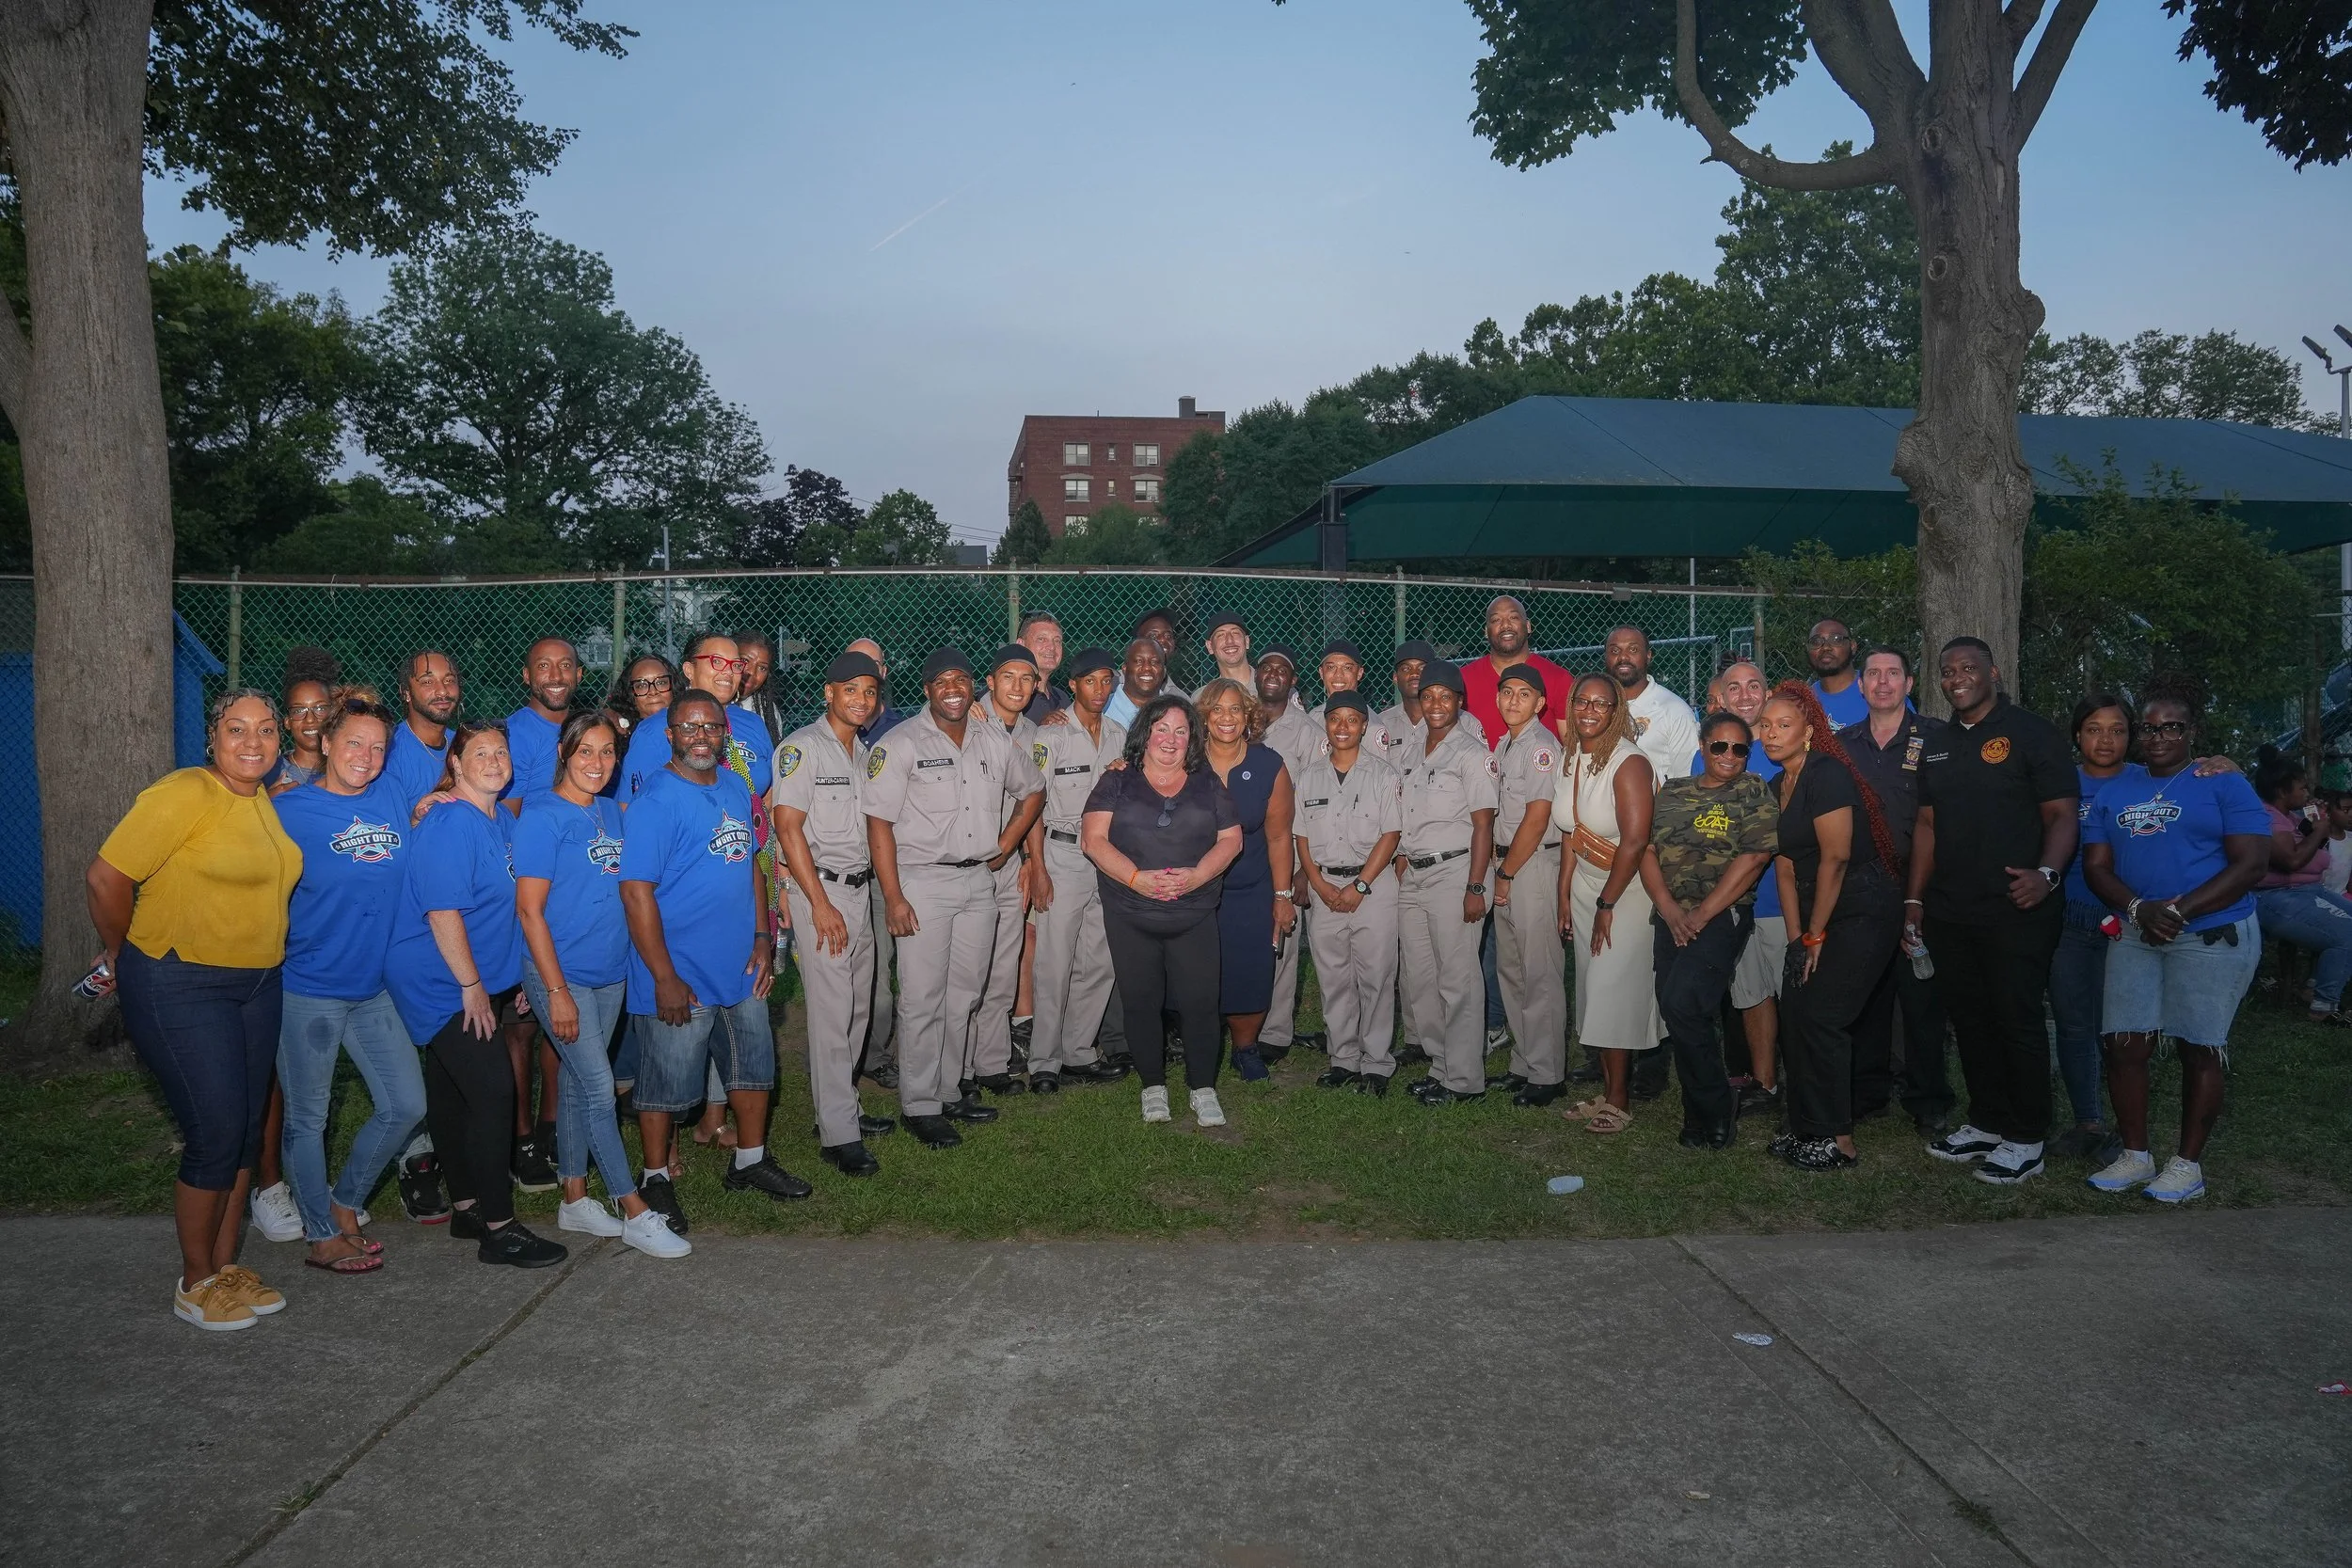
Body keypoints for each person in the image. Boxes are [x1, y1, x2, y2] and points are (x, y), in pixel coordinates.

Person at [87, 689, 304, 1330]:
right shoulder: (185, 792)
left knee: (242, 1132)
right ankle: (194, 1279)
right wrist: (121, 952)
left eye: (266, 730)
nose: (252, 741)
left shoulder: (263, 797)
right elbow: (106, 878)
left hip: (258, 984)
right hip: (180, 981)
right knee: (213, 1133)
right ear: (213, 738)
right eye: (237, 729)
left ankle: (224, 1266)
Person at [382, 721, 566, 1267]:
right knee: (492, 1091)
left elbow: (512, 908)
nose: (493, 759)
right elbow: (442, 912)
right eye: (479, 752)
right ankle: (499, 1226)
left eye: (501, 752)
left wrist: (520, 978)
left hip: (476, 976)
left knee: (451, 1087)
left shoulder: (501, 822)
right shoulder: (448, 822)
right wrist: (472, 987)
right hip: (437, 975)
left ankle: (464, 1206)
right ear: (455, 766)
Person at [619, 689, 805, 1229]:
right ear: (669, 735)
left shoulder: (732, 786)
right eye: (689, 727)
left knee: (753, 1067)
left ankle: (749, 1160)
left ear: (724, 733)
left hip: (739, 964)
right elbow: (636, 892)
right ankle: (654, 1178)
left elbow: (749, 863)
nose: (701, 735)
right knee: (666, 1083)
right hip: (679, 970)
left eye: (711, 726)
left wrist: (762, 936)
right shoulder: (656, 801)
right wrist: (663, 976)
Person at [2080, 680, 2271, 1204]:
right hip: (2138, 928)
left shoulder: (2223, 783)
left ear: (2192, 733)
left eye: (2173, 727)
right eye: (2150, 727)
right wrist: (2142, 909)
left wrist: (2180, 910)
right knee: (2125, 1042)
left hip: (2210, 932)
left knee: (2198, 1047)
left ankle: (2188, 1166)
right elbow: (2096, 866)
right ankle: (2135, 1155)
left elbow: (2252, 862)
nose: (2160, 735)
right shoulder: (2117, 788)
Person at [514, 714, 691, 1258]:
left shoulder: (615, 812)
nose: (597, 762)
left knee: (572, 1084)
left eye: (608, 752)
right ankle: (632, 1206)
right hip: (561, 977)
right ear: (565, 754)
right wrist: (555, 990)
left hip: (609, 973)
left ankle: (572, 1197)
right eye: (585, 751)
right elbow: (529, 912)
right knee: (596, 1088)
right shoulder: (544, 817)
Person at [1905, 637, 2079, 1186]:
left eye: (1969, 668)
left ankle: (2028, 1136)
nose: (1958, 677)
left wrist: (2046, 875)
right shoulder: (1936, 742)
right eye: (1948, 670)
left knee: (2016, 1018)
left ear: (1994, 673)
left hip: (2016, 907)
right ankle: (1987, 1121)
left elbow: (2062, 816)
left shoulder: (2032, 733)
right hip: (1952, 909)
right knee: (1971, 1019)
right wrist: (1914, 898)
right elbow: (1928, 826)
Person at [865, 649, 1042, 1148]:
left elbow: (1033, 790)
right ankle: (919, 1104)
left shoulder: (994, 739)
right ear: (926, 689)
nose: (953, 687)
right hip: (922, 883)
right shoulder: (900, 743)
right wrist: (895, 897)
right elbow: (878, 822)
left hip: (979, 882)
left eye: (961, 679)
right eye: (942, 680)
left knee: (965, 993)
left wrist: (1007, 846)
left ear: (972, 686)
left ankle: (947, 1090)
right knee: (922, 997)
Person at [271, 690, 421, 1277]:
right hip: (307, 987)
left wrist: (430, 805)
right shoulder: (288, 811)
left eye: (377, 746)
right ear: (325, 744)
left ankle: (346, 1199)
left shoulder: (389, 794)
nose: (366, 755)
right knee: (308, 1118)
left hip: (372, 987)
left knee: (407, 1103)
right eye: (353, 742)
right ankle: (320, 1231)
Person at [1759, 684, 1905, 1171]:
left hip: (1861, 906)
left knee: (1824, 1017)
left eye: (1783, 725)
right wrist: (1797, 938)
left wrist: (1816, 934)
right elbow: (1784, 866)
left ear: (1808, 732)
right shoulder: (1778, 785)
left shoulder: (1827, 773)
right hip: (1814, 910)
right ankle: (1807, 1126)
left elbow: (1837, 857)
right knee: (1796, 1012)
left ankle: (1838, 1140)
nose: (1771, 733)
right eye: (1765, 725)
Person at [1082, 694, 1244, 1125]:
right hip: (1130, 913)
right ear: (1145, 733)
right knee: (1140, 1001)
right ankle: (1152, 1084)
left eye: (1181, 730)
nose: (1170, 739)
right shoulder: (1116, 780)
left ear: (1192, 739)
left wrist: (1195, 877)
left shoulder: (1207, 782)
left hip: (1193, 914)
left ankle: (1202, 1087)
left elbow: (1232, 840)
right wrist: (1137, 878)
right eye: (1161, 728)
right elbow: (1093, 840)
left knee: (1200, 1002)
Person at [769, 650, 898, 1179]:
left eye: (869, 692)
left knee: (857, 1008)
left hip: (859, 890)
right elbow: (787, 826)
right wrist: (819, 905)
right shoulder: (802, 749)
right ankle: (838, 1135)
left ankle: (841, 1109)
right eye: (851, 691)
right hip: (820, 891)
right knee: (830, 1012)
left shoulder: (863, 751)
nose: (861, 700)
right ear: (829, 692)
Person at [1640, 709, 1777, 1150]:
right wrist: (1669, 909)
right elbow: (1645, 848)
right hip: (1669, 917)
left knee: (1684, 1004)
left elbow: (1755, 858)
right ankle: (1699, 1112)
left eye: (1740, 748)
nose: (1730, 756)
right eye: (1720, 746)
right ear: (1703, 747)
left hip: (1722, 918)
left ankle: (1715, 1107)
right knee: (1676, 1009)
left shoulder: (1753, 790)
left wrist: (1699, 916)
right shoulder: (1673, 791)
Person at [1839, 647, 1957, 1134]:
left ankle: (1927, 1097)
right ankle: (1867, 1090)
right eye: (1873, 675)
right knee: (1864, 994)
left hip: (1923, 884)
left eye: (1893, 674)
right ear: (1861, 686)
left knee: (1921, 998)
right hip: (1861, 886)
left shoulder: (1938, 739)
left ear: (1910, 684)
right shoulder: (1842, 744)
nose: (1883, 683)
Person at [1021, 648, 1132, 1090]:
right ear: (1073, 685)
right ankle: (1044, 1063)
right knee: (1053, 961)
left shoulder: (1120, 735)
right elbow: (1032, 805)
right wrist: (1038, 865)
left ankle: (1079, 1052)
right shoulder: (1052, 736)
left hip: (1105, 857)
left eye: (1107, 681)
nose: (1100, 690)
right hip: (1062, 854)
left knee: (1099, 959)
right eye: (1091, 681)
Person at [1554, 673, 1661, 1132]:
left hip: (1625, 893)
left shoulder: (1629, 762)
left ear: (1617, 709)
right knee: (1594, 990)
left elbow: (1636, 842)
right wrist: (1564, 891)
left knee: (1614, 990)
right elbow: (1569, 831)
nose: (1590, 710)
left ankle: (1620, 1098)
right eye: (1583, 702)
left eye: (1601, 703)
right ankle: (1606, 1088)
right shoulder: (1573, 755)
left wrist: (1606, 904)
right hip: (1585, 888)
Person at [1395, 661, 1500, 1105]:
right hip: (1414, 874)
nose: (1436, 703)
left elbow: (1483, 826)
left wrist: (1476, 886)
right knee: (1421, 978)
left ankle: (1464, 1079)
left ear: (1460, 702)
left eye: (1446, 696)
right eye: (1429, 695)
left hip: (1456, 873)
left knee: (1458, 979)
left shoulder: (1472, 753)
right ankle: (1440, 1066)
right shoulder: (1412, 749)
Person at [2045, 692, 2141, 1158]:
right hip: (2070, 921)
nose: (2106, 739)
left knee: (2123, 1028)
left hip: (2131, 924)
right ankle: (2088, 1122)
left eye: (2117, 729)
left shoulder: (2152, 782)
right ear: (2077, 735)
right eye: (2094, 729)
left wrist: (2220, 764)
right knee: (2074, 1023)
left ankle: (2129, 1127)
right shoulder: (2058, 782)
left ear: (2131, 736)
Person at [1292, 694, 1404, 1091]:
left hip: (1371, 887)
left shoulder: (1383, 775)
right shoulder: (1308, 777)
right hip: (1325, 887)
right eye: (1335, 719)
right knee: (1334, 977)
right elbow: (1301, 836)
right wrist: (1319, 884)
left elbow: (1391, 835)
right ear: (1325, 724)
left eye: (1352, 720)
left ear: (1364, 726)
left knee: (1375, 977)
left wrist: (1359, 885)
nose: (1343, 727)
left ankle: (1376, 1062)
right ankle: (1343, 1058)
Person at [1692, 659, 1784, 1115]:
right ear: (1721, 697)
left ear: (1767, 693)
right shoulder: (1707, 753)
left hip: (1785, 898)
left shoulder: (1785, 744)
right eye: (1735, 688)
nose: (1745, 695)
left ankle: (1809, 1087)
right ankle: (1764, 1084)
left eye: (1755, 685)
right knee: (1752, 993)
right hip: (1734, 898)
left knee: (1800, 999)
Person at [1198, 676, 1295, 1081]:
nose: (1226, 717)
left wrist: (1282, 894)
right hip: (1195, 890)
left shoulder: (1269, 764)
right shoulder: (1183, 760)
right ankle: (1199, 1045)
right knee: (1195, 970)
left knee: (1251, 968)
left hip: (1252, 889)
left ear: (1248, 716)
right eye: (1217, 709)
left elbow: (1278, 835)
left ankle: (1245, 1049)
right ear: (1204, 716)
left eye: (1235, 709)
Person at [1484, 665, 1567, 1106]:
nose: (1513, 700)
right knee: (1512, 971)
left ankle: (1549, 1072)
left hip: (1530, 866)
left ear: (1540, 703)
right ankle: (1525, 1061)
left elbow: (1536, 819)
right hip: (1509, 864)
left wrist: (1505, 874)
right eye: (1506, 692)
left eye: (1524, 693)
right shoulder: (1505, 744)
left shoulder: (1540, 747)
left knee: (1540, 973)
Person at [967, 644, 1045, 1096]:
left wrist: (1030, 859)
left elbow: (1033, 801)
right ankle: (958, 1066)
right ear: (990, 681)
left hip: (1009, 858)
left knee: (1003, 964)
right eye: (1008, 677)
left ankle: (992, 1062)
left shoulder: (1035, 732)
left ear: (1037, 686)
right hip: (969, 860)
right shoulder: (967, 719)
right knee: (968, 972)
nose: (1017, 687)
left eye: (1027, 678)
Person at [1254, 644, 1325, 1057]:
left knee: (1281, 938)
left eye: (1283, 669)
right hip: (1246, 847)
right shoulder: (1241, 722)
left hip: (1290, 848)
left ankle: (1276, 1031)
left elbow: (1316, 800)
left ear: (1293, 680)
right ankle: (1243, 1017)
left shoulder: (1308, 733)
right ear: (1257, 676)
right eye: (1266, 668)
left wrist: (1304, 867)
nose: (1274, 674)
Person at [2249, 746, 2352, 1026]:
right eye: (2302, 788)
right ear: (2283, 791)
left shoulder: (2292, 818)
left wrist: (2312, 825)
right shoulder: (2267, 817)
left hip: (2307, 892)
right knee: (2347, 934)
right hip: (2275, 898)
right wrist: (2319, 830)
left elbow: (2305, 850)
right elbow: (2291, 860)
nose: (2307, 793)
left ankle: (2315, 987)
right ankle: (2323, 1005)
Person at [844, 637, 906, 1088]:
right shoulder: (827, 734)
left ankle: (885, 1050)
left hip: (894, 866)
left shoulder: (904, 730)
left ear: (882, 675)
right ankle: (856, 1055)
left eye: (872, 668)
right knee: (857, 970)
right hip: (845, 871)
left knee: (896, 966)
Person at [1459, 594, 1573, 748]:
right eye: (1496, 620)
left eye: (1513, 617)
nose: (1505, 625)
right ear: (1486, 632)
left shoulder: (1559, 679)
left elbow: (1571, 747)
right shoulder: (1463, 679)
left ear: (1528, 626)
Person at [1603, 625, 1701, 785]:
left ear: (1648, 655)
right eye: (1615, 651)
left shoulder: (1675, 711)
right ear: (1606, 657)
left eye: (1633, 650)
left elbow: (1686, 780)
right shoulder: (1595, 708)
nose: (1623, 657)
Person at [381, 649, 462, 811]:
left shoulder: (464, 744)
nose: (442, 691)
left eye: (449, 680)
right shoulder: (388, 752)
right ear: (406, 693)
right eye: (427, 682)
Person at [1380, 640, 1486, 761]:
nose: (1414, 674)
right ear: (1395, 678)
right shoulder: (1382, 723)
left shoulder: (1465, 722)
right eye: (1406, 669)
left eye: (1421, 668)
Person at [504, 636, 580, 800]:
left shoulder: (585, 728)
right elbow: (507, 819)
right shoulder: (513, 735)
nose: (556, 677)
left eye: (565, 665)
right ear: (526, 675)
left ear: (579, 674)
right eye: (543, 666)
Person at [267, 647, 341, 793]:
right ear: (287, 721)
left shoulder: (346, 768)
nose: (310, 719)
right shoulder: (269, 771)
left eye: (319, 708)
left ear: (333, 714)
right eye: (299, 710)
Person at [609, 654, 679, 801]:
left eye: (661, 683)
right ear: (630, 694)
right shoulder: (615, 731)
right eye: (641, 685)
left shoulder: (689, 729)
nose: (653, 692)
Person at [1305, 641, 1391, 755]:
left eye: (1347, 668)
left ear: (1359, 673)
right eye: (1331, 667)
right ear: (1321, 673)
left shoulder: (1371, 727)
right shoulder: (1313, 717)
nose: (1338, 675)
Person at [1806, 619, 1869, 729]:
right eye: (1816, 642)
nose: (1825, 647)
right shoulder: (1803, 701)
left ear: (1853, 646)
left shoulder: (1878, 690)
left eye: (1836, 639)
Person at [1104, 635, 1169, 731]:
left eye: (1154, 662)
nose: (1147, 667)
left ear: (1164, 671)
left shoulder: (1176, 712)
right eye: (1139, 661)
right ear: (1124, 668)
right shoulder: (1103, 708)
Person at [737, 631, 789, 747]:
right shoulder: (707, 703)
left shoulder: (766, 710)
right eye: (745, 661)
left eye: (762, 668)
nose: (751, 672)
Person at [1016, 611, 1071, 720]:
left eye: (1057, 641)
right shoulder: (1009, 695)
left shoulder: (1062, 699)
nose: (1051, 647)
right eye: (1041, 639)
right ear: (1020, 644)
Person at [1202, 610, 1254, 689]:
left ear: (1247, 641)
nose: (1229, 641)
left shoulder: (1273, 688)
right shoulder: (1203, 697)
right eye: (1220, 635)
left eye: (1235, 633)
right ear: (1210, 646)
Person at [2320, 790, 2352, 897]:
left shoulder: (2351, 838)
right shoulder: (2318, 840)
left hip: (2343, 894)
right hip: (2320, 897)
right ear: (2328, 812)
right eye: (2346, 810)